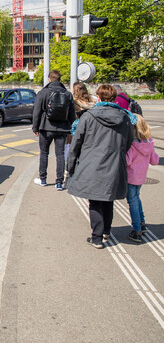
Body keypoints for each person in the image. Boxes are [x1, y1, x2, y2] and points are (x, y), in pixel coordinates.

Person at [67, 84, 135, 249]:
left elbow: (77, 142)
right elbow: (129, 141)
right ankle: (106, 230)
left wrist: (71, 165)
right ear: (114, 99)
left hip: (92, 164)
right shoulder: (124, 117)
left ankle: (96, 237)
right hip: (114, 163)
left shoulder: (88, 116)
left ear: (99, 97)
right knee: (108, 198)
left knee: (95, 201)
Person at [32, 70, 76, 191]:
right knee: (60, 154)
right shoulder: (67, 94)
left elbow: (37, 112)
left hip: (46, 127)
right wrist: (71, 129)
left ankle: (43, 179)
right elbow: (71, 113)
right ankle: (59, 182)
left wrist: (35, 127)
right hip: (62, 128)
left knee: (44, 153)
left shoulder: (43, 93)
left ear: (49, 79)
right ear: (60, 80)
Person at [125, 115, 159, 243]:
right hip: (141, 177)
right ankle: (142, 222)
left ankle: (137, 229)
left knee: (132, 202)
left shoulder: (131, 145)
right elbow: (155, 161)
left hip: (130, 177)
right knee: (136, 198)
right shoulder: (149, 143)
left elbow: (127, 162)